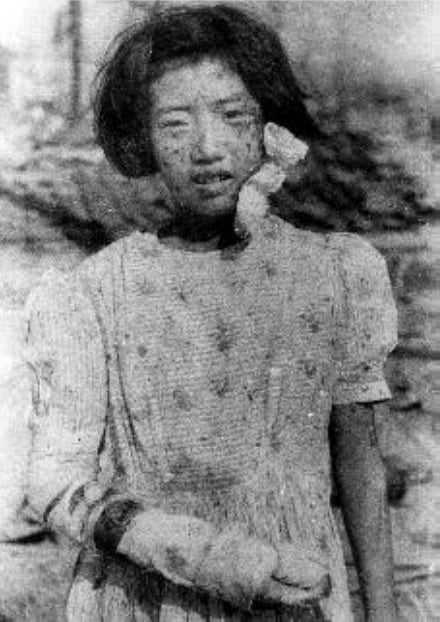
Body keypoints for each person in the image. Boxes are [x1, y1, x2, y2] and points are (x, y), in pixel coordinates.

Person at [24, 4, 398, 621]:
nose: (207, 148)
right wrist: (209, 556)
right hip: (149, 597)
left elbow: (359, 460)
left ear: (269, 127)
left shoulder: (335, 274)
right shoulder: (92, 295)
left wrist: (383, 612)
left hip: (298, 590)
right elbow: (54, 480)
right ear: (143, 139)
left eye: (233, 117)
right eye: (175, 124)